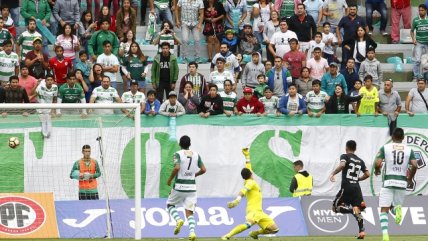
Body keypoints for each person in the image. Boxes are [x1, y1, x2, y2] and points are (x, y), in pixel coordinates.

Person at [221, 148, 279, 240]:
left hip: (260, 212)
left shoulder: (249, 180)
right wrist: (237, 200)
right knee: (248, 225)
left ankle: (254, 233)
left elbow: (248, 167)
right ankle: (227, 235)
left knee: (275, 229)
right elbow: (243, 191)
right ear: (251, 174)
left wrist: (247, 156)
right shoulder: (250, 183)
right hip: (253, 211)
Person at [375, 128, 418, 241]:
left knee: (384, 209)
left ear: (392, 137)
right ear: (403, 138)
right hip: (401, 182)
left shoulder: (386, 147)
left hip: (388, 181)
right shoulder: (409, 150)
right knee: (395, 207)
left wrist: (377, 170)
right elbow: (415, 165)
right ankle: (397, 209)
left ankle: (385, 236)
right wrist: (410, 178)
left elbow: (378, 162)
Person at [166, 135, 206, 241]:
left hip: (179, 186)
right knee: (189, 212)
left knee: (170, 204)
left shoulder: (177, 154)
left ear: (179, 144)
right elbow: (203, 169)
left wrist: (170, 179)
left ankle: (178, 219)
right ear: (190, 144)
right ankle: (192, 233)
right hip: (192, 188)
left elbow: (177, 167)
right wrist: (194, 175)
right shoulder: (197, 155)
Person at [330, 140, 370, 240]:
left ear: (346, 148)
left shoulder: (345, 156)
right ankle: (361, 231)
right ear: (355, 149)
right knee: (357, 209)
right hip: (356, 188)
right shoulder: (360, 160)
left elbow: (342, 165)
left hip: (347, 186)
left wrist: (333, 173)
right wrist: (358, 179)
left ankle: (350, 210)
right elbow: (368, 174)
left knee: (335, 207)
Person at [411, 4, 428, 81]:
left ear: (426, 11)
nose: (420, 12)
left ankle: (426, 77)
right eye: (419, 10)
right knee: (417, 60)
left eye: (422, 10)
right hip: (419, 43)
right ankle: (415, 76)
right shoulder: (415, 20)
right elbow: (411, 31)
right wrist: (413, 39)